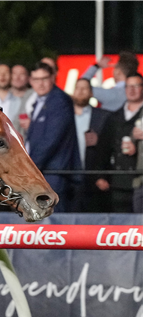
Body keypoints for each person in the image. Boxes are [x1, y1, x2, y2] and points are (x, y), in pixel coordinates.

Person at [24, 62, 81, 212]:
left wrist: (29, 169)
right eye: (36, 80)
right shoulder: (40, 101)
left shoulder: (59, 101)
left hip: (54, 175)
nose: (40, 84)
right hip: (43, 174)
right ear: (30, 81)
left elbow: (51, 141)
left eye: (44, 78)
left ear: (53, 78)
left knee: (55, 228)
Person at [94, 72, 143, 212]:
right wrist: (100, 176)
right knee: (120, 227)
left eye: (136, 86)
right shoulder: (114, 117)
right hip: (118, 183)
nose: (132, 90)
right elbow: (103, 148)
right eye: (128, 86)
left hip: (140, 180)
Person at [72, 78, 112, 212]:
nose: (81, 91)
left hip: (94, 179)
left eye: (85, 88)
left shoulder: (103, 116)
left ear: (91, 93)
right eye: (78, 88)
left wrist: (98, 141)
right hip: (69, 176)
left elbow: (109, 147)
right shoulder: (64, 116)